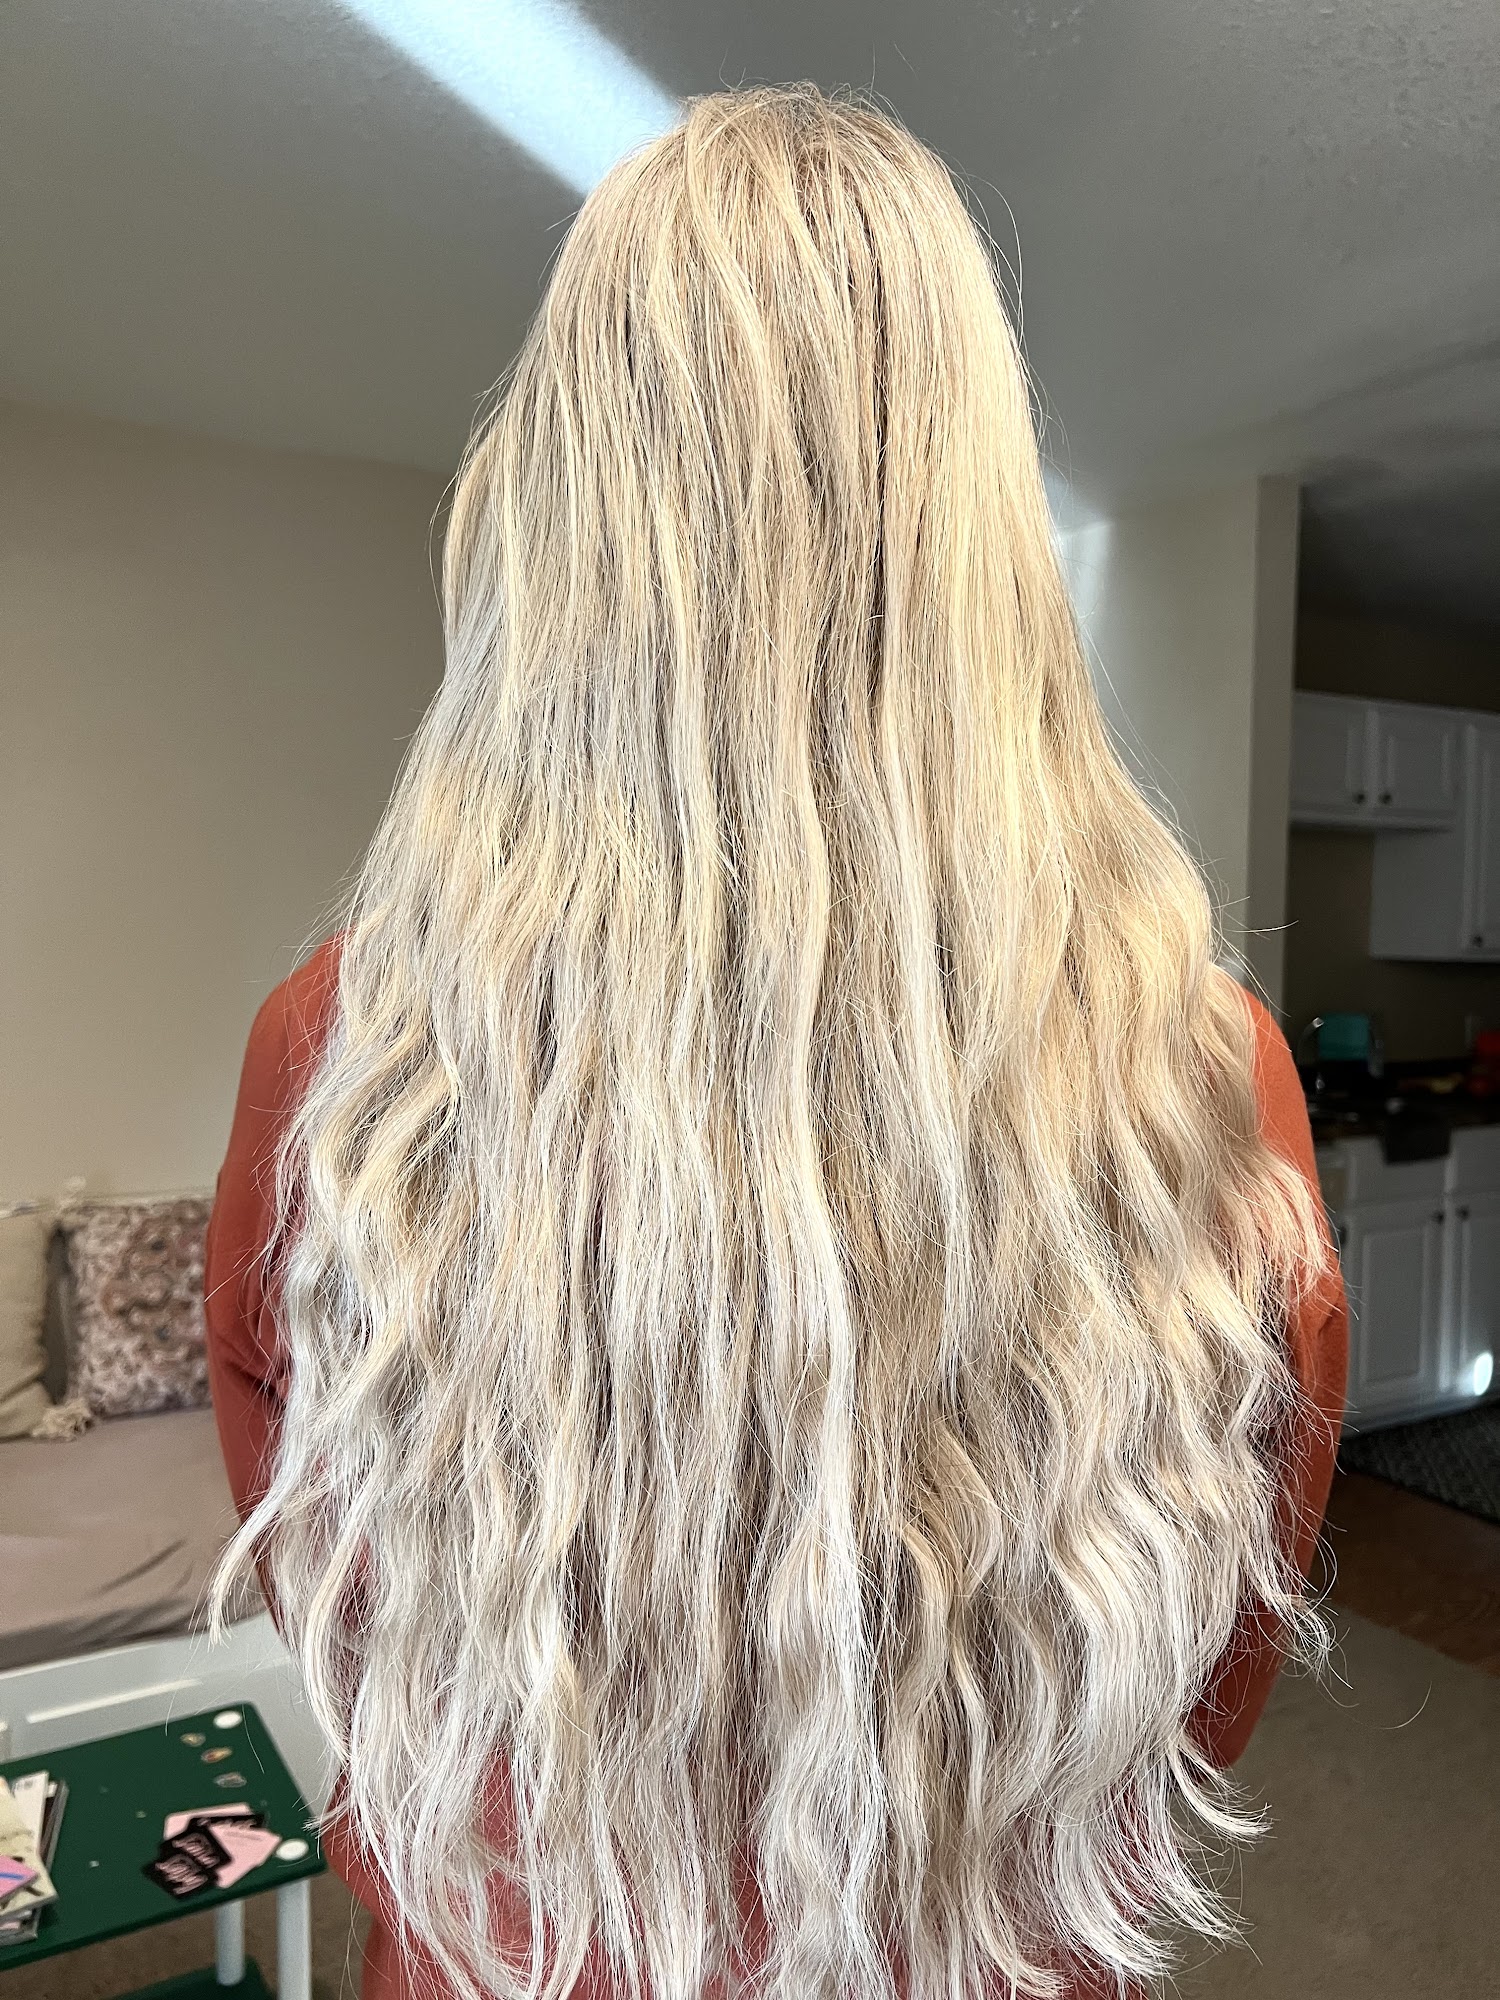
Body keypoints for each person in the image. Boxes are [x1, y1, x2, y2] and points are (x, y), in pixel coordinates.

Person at [203, 83, 1348, 2000]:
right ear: (980, 532)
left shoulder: (350, 1053)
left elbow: (327, 1560)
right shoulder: (1203, 1083)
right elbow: (1202, 1665)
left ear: (558, 502)